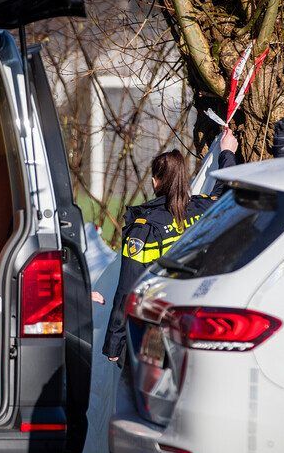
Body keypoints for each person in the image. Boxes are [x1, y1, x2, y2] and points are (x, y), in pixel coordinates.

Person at [102, 128, 238, 362]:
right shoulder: (203, 209)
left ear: (155, 182)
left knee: (150, 393)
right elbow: (226, 191)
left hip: (154, 333)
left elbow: (127, 290)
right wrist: (227, 152)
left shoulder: (144, 229)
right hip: (196, 326)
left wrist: (115, 343)